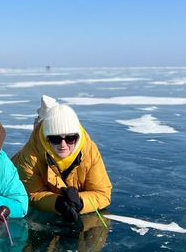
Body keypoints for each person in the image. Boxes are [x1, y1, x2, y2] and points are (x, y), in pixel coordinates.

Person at [12, 95, 112, 224]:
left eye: (70, 138)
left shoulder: (89, 151)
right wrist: (58, 203)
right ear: (47, 139)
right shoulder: (29, 157)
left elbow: (103, 193)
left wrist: (81, 202)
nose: (63, 145)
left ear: (78, 136)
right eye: (56, 139)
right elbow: (31, 194)